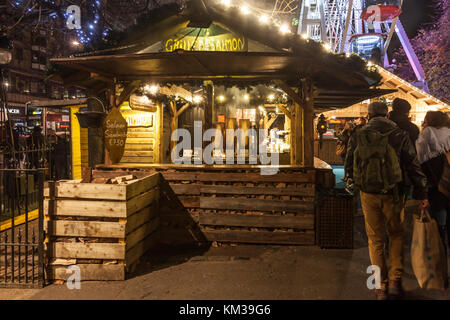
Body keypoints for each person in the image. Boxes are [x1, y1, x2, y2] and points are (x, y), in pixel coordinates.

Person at [345, 101, 429, 300]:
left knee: (375, 239)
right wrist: (422, 193)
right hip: (394, 193)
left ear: (369, 114)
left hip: (368, 193)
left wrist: (354, 180)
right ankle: (395, 279)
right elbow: (413, 165)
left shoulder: (359, 134)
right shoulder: (399, 134)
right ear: (387, 114)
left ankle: (379, 286)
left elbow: (349, 162)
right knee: (396, 235)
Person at [415, 111, 450, 259]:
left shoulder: (427, 133)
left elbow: (420, 159)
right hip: (447, 179)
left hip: (435, 183)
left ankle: (439, 260)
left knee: (437, 219)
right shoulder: (449, 131)